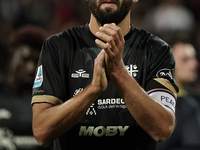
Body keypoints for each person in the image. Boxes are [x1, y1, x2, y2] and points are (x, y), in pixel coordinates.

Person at [31, 0, 178, 150]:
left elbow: (163, 129)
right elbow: (41, 131)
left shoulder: (157, 50)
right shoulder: (57, 47)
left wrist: (118, 71)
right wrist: (93, 89)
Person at [0, 25, 50, 150]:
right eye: (25, 59)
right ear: (12, 56)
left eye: (36, 62)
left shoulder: (47, 104)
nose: (31, 68)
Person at [156, 37, 200, 150]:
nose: (194, 64)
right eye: (185, 60)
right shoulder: (150, 101)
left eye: (194, 58)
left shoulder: (194, 100)